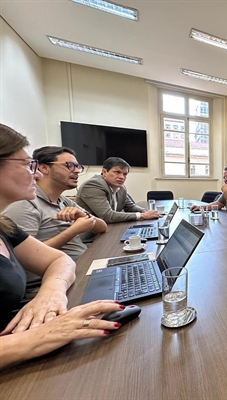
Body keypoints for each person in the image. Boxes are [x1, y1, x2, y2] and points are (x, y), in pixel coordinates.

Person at [0, 123, 123, 369]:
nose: (35, 175)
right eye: (27, 165)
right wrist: (33, 339)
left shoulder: (4, 226)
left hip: (51, 304)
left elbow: (58, 259)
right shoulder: (23, 208)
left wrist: (52, 291)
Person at [3, 146, 107, 261]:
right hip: (62, 275)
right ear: (44, 168)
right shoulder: (24, 203)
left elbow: (102, 227)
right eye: (69, 165)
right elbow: (23, 258)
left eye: (77, 166)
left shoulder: (62, 200)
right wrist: (74, 230)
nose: (77, 170)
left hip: (81, 264)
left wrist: (84, 216)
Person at [76, 157, 160, 223]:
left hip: (110, 229)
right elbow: (107, 216)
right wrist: (142, 216)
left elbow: (130, 206)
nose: (121, 177)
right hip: (92, 237)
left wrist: (148, 212)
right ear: (104, 172)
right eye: (117, 172)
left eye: (125, 174)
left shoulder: (121, 187)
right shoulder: (93, 185)